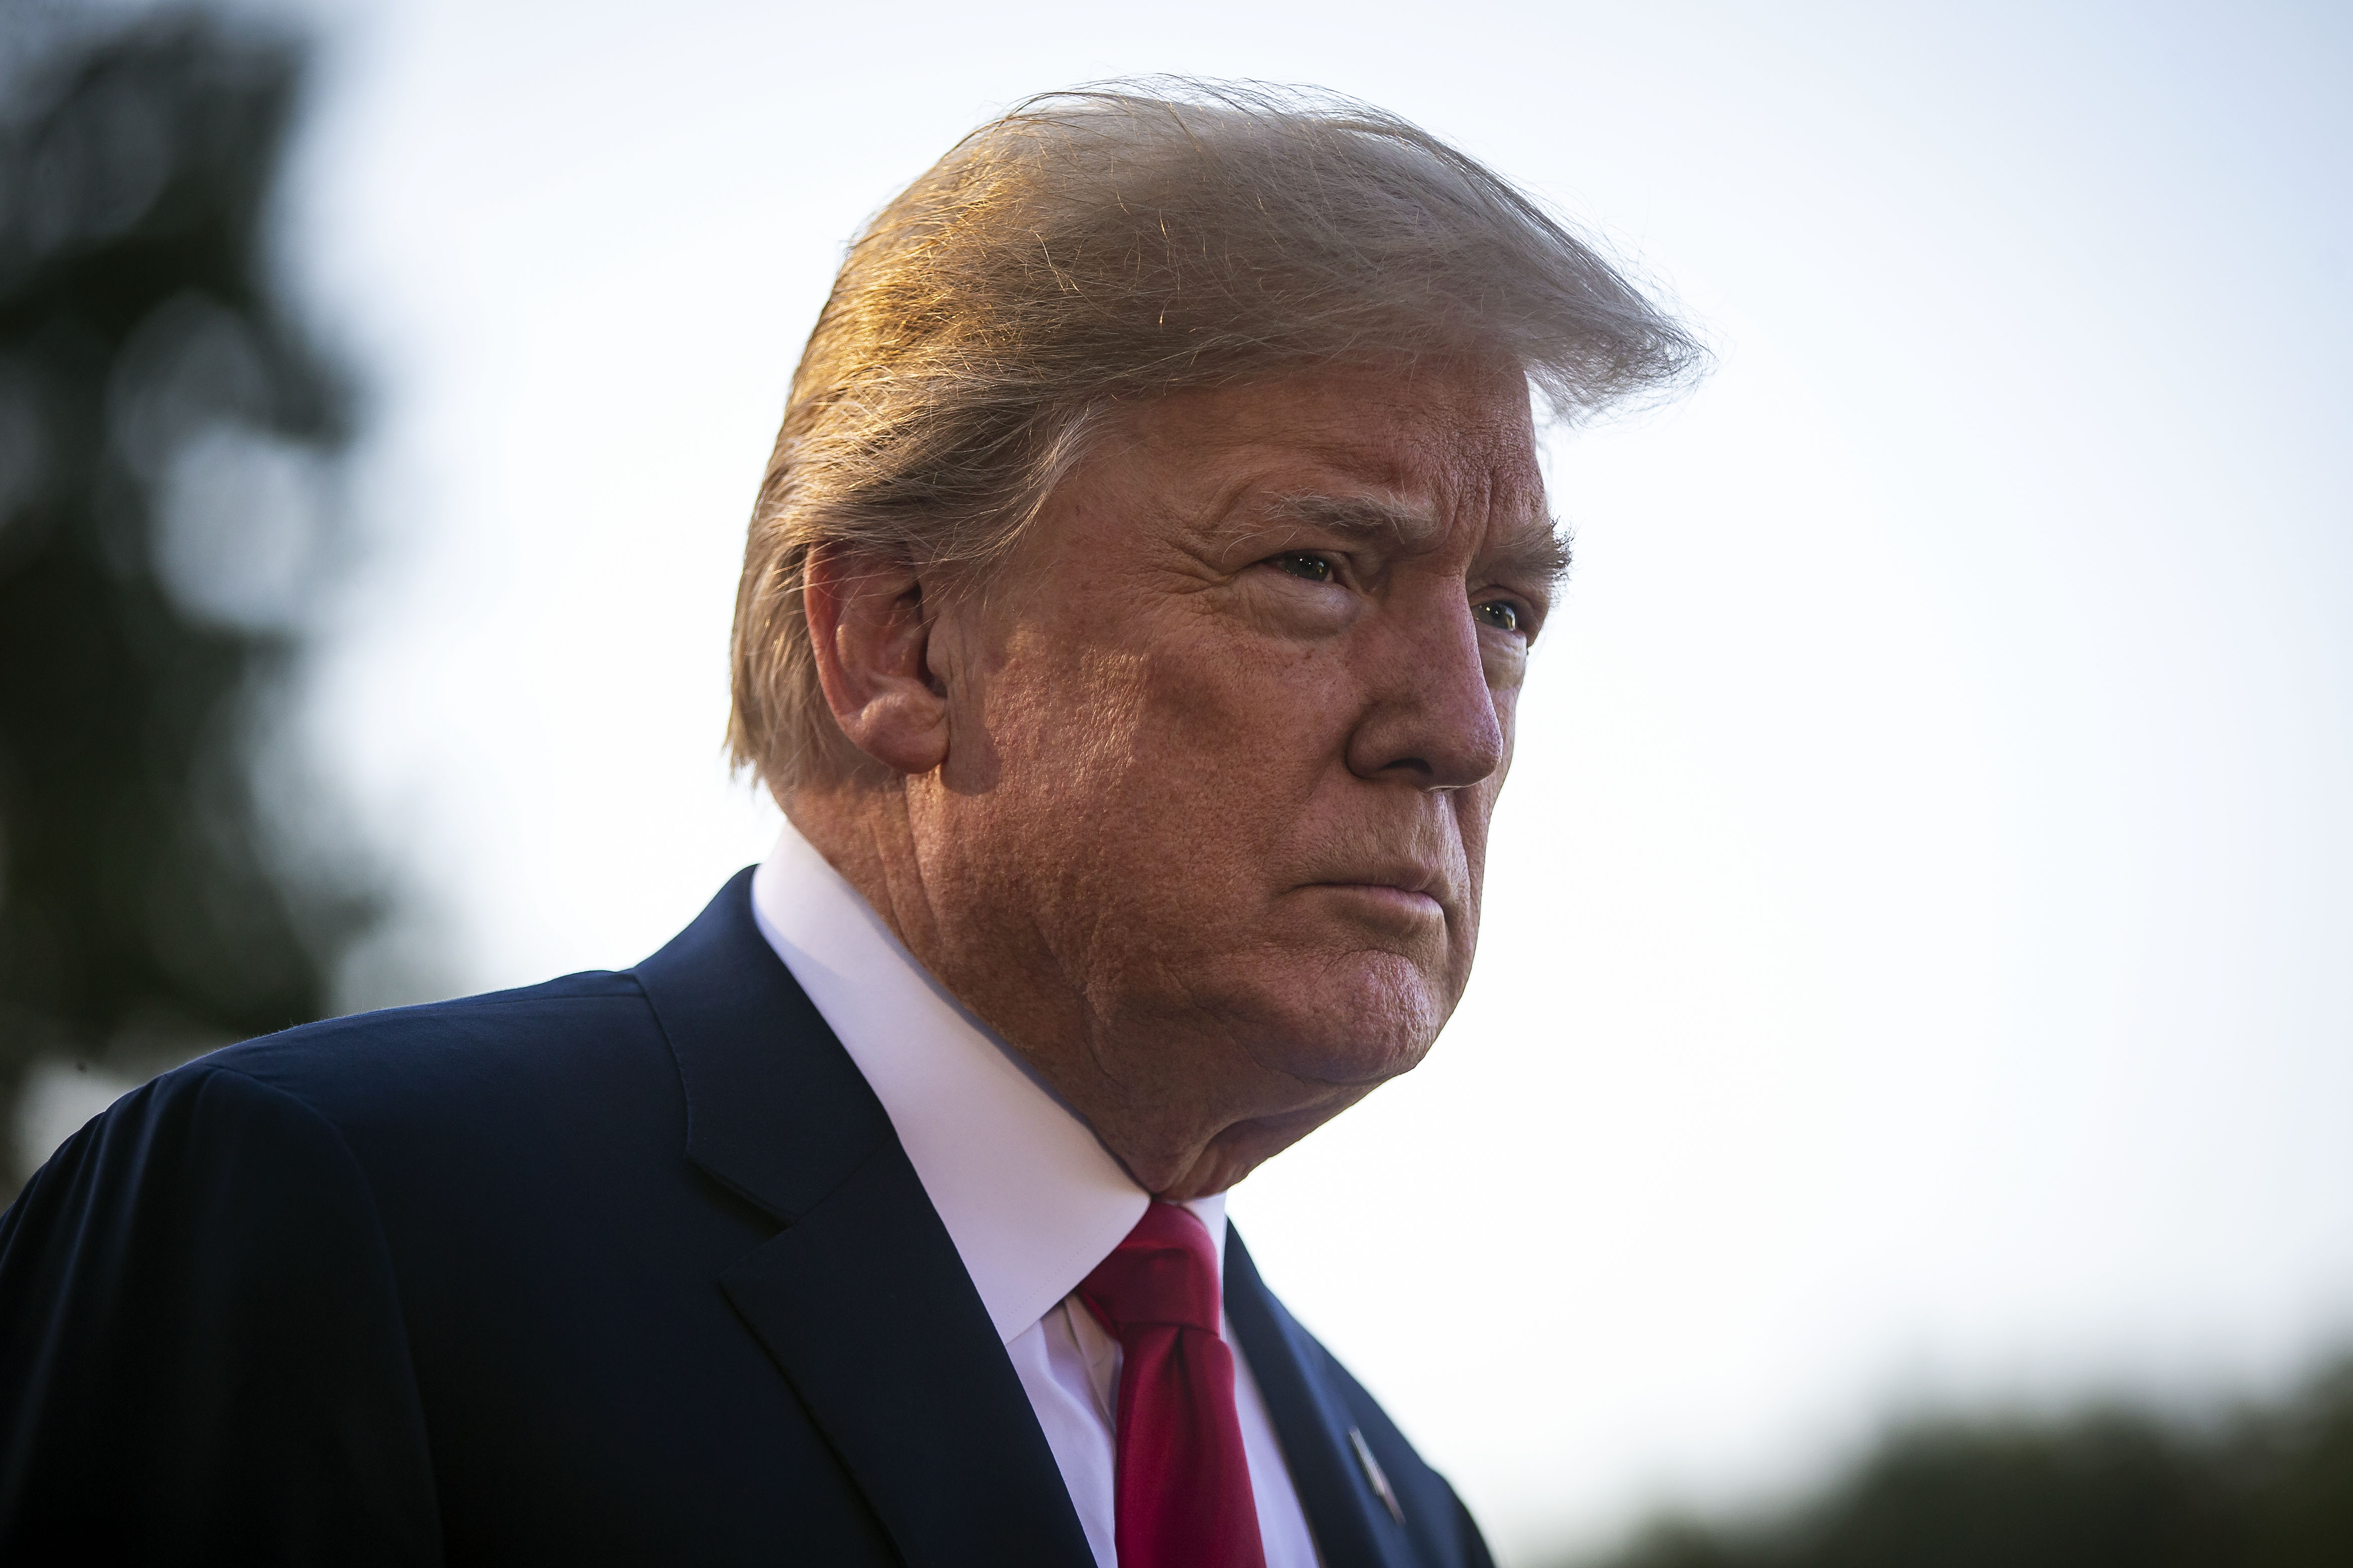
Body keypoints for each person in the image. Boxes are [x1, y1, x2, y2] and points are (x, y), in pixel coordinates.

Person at [0, 81, 1696, 1565]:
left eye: (1508, 613)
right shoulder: (330, 1228)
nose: (1460, 730)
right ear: (899, 638)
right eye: (1318, 567)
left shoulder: (1404, 1514)